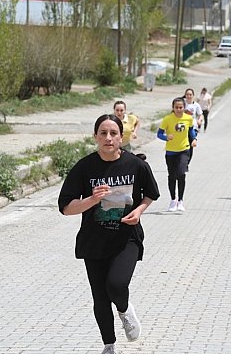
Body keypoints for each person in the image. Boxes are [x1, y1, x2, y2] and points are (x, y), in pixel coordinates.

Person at [58, 114, 160, 354]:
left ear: (121, 137)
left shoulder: (136, 165)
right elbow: (65, 207)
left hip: (127, 237)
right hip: (94, 240)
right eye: (103, 133)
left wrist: (139, 211)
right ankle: (109, 345)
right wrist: (92, 200)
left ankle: (124, 310)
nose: (108, 138)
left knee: (115, 285)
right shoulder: (84, 167)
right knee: (100, 298)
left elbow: (151, 194)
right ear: (95, 137)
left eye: (113, 133)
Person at [157, 97, 197, 212]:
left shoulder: (188, 118)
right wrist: (166, 137)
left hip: (184, 150)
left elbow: (191, 130)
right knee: (172, 176)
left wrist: (194, 139)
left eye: (181, 107)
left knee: (181, 173)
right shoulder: (168, 119)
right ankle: (173, 200)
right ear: (173, 108)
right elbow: (159, 134)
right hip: (170, 152)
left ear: (184, 108)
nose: (179, 110)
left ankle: (180, 200)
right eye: (176, 107)